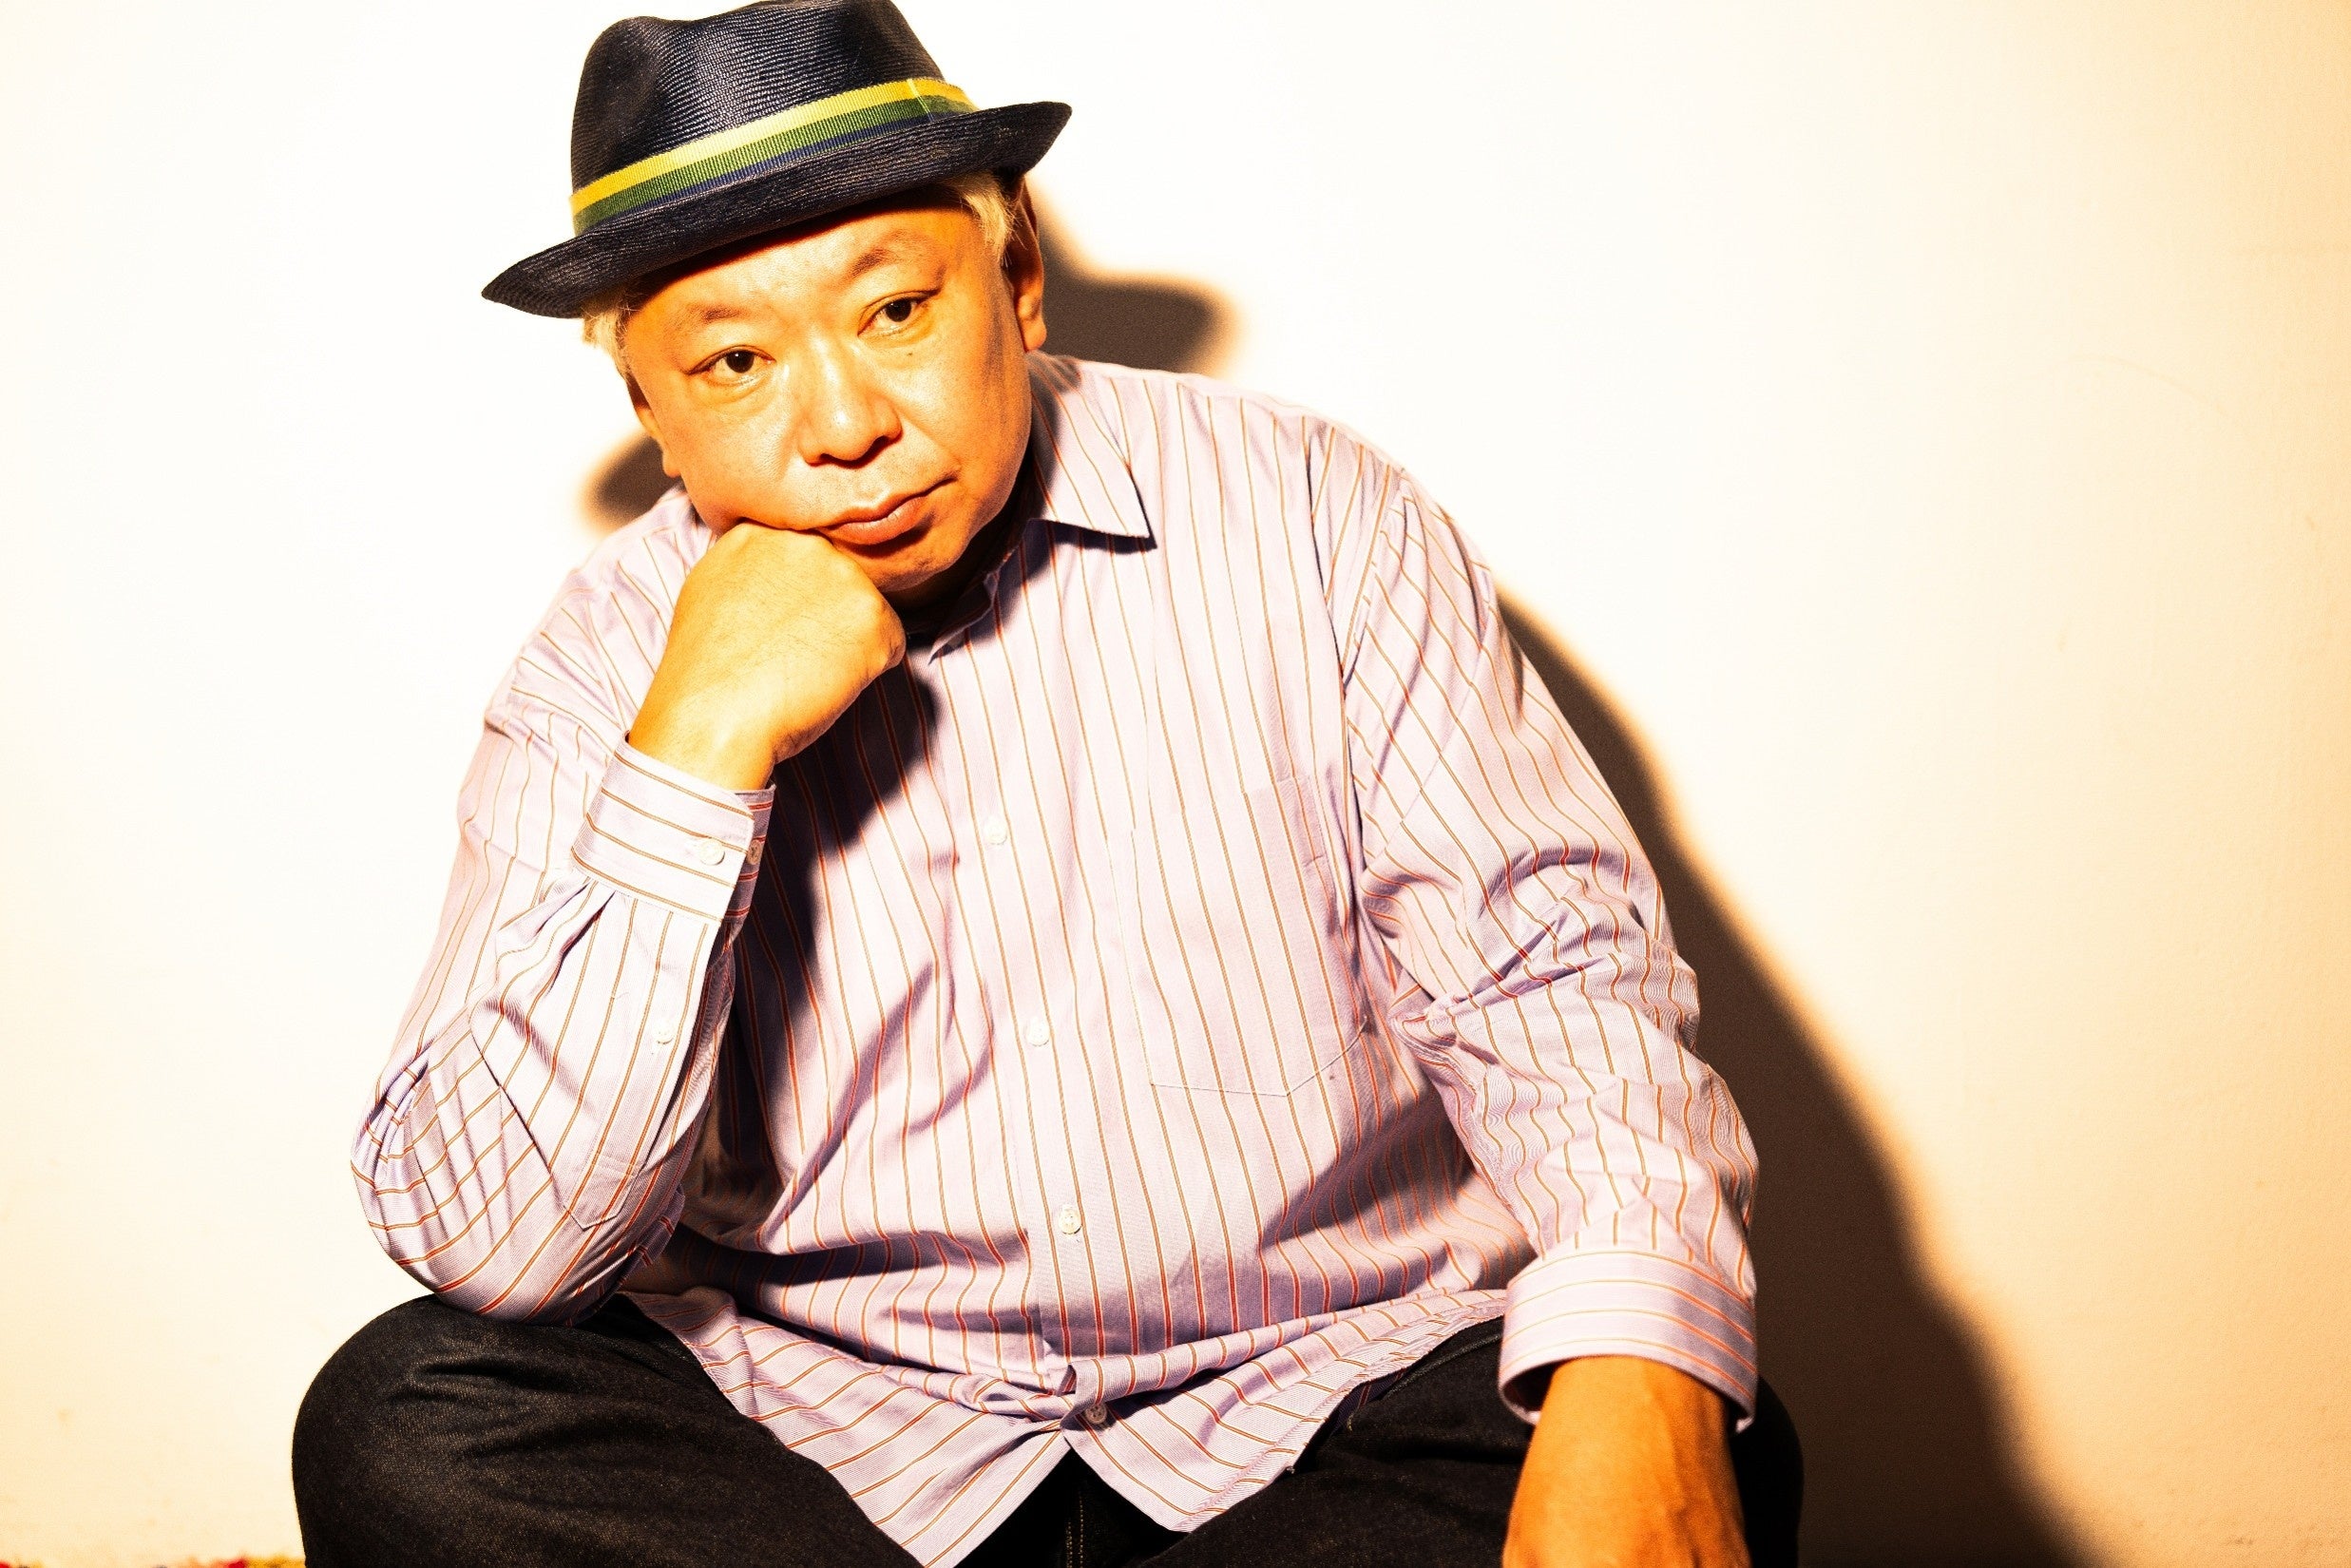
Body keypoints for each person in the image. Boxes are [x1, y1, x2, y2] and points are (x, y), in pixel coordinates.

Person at [292, 3, 1801, 1564]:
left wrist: (1636, 1372)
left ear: (1016, 277)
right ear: (648, 409)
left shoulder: (1310, 510)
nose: (845, 426)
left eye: (894, 311)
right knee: (405, 1421)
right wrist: (695, 749)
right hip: (835, 1448)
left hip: (1317, 1406)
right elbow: (504, 1248)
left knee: (1675, 1408)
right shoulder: (608, 651)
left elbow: (1549, 976)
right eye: (736, 361)